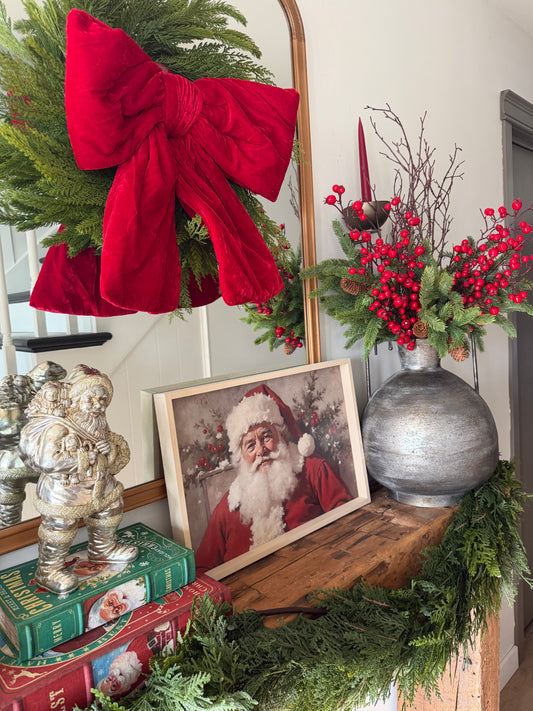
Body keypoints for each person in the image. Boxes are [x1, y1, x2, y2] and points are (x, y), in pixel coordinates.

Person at [195, 384, 352, 572]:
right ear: (241, 456)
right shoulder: (227, 508)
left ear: (282, 435)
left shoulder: (313, 470)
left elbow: (349, 521)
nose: (261, 450)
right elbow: (202, 570)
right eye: (250, 445)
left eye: (266, 437)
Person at [18, 364, 137, 595]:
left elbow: (106, 447)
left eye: (102, 400)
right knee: (60, 526)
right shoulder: (59, 425)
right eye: (90, 399)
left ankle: (103, 549)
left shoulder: (97, 421)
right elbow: (47, 460)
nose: (98, 405)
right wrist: (84, 457)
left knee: (111, 507)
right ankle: (49, 570)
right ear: (76, 399)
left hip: (98, 484)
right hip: (64, 489)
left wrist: (109, 448)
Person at [0, 361, 66, 528]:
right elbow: (58, 371)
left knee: (9, 517)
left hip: (9, 465)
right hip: (39, 458)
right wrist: (32, 378)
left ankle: (12, 540)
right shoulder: (33, 394)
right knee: (58, 500)